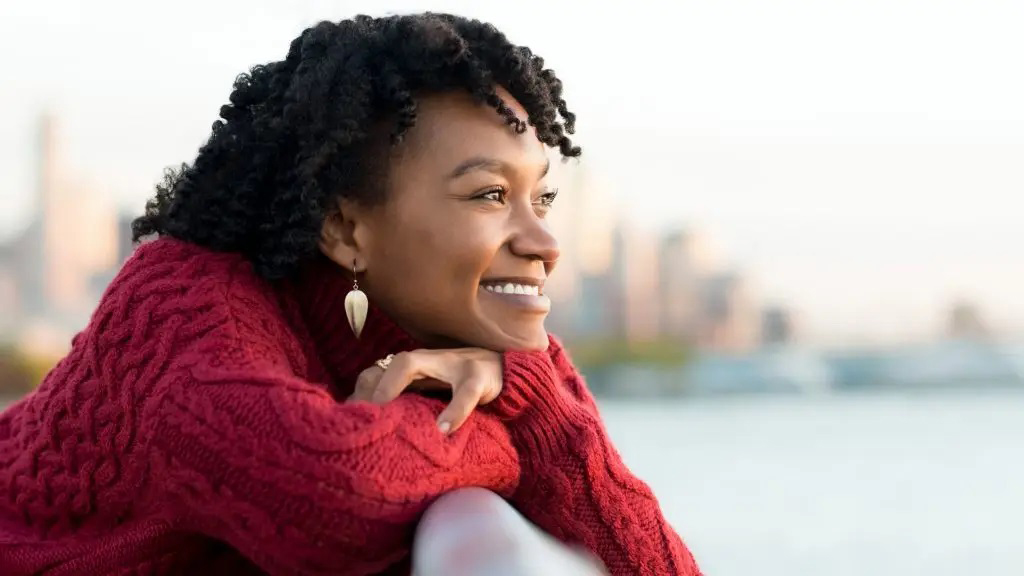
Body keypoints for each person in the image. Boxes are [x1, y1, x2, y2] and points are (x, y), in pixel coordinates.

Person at [0, 13, 702, 576]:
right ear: (343, 227)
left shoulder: (476, 346)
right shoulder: (184, 312)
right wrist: (505, 434)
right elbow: (340, 494)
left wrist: (526, 390)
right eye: (491, 195)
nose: (545, 241)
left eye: (543, 197)